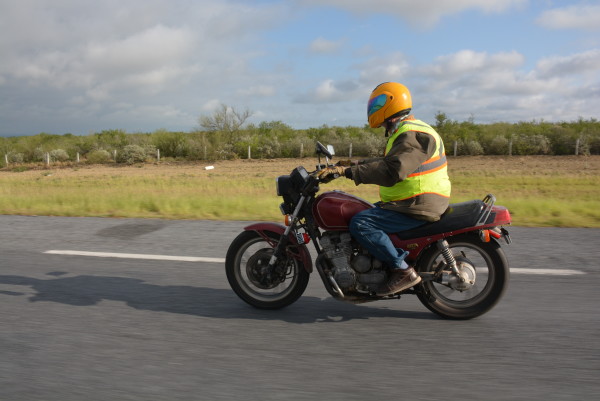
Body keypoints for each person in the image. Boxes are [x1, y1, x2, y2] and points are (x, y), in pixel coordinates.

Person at [317, 82, 451, 296]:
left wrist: (348, 173)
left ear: (392, 102)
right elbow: (388, 161)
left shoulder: (412, 134)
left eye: (378, 102)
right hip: (414, 200)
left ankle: (402, 269)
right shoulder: (409, 131)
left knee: (361, 223)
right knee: (362, 211)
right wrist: (350, 165)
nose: (373, 107)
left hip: (417, 203)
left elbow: (393, 170)